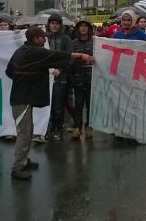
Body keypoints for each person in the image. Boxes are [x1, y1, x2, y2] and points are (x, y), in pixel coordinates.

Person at [6, 27, 94, 181]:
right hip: (22, 98)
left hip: (24, 96)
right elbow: (57, 55)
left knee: (29, 129)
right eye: (42, 37)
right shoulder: (34, 52)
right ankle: (17, 168)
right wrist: (81, 55)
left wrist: (26, 77)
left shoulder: (23, 50)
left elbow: (9, 71)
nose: (45, 39)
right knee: (24, 133)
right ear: (34, 39)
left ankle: (25, 160)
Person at [45, 13, 73, 141]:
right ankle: (45, 128)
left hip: (60, 77)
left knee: (57, 105)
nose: (54, 26)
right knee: (45, 105)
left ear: (60, 25)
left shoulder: (66, 39)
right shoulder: (44, 38)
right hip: (44, 77)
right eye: (52, 23)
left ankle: (57, 128)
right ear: (49, 24)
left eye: (57, 23)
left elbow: (70, 57)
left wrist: (60, 69)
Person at [68, 19, 95, 140]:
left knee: (90, 104)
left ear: (89, 29)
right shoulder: (73, 43)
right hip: (78, 79)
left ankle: (89, 126)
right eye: (81, 26)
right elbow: (69, 60)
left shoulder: (95, 42)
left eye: (86, 26)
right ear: (77, 29)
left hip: (92, 79)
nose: (83, 28)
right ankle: (77, 127)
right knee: (78, 105)